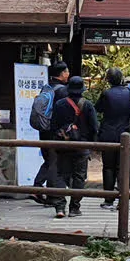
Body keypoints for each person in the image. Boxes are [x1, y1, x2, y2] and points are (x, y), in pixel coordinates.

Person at [48, 75, 99, 218]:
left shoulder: (59, 104)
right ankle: (74, 208)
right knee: (79, 176)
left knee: (60, 175)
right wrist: (92, 143)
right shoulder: (87, 105)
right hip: (81, 146)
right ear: (82, 89)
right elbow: (94, 127)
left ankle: (59, 207)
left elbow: (53, 125)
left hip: (63, 145)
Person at [95, 68, 130, 209]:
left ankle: (108, 199)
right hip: (125, 134)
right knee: (123, 167)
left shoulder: (106, 93)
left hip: (108, 133)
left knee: (108, 167)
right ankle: (123, 199)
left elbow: (98, 108)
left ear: (108, 79)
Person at [32, 62, 70, 202]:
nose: (68, 74)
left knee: (49, 159)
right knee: (54, 161)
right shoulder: (62, 91)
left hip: (43, 128)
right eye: (67, 72)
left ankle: (39, 189)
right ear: (62, 74)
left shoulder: (46, 88)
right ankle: (50, 194)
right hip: (55, 131)